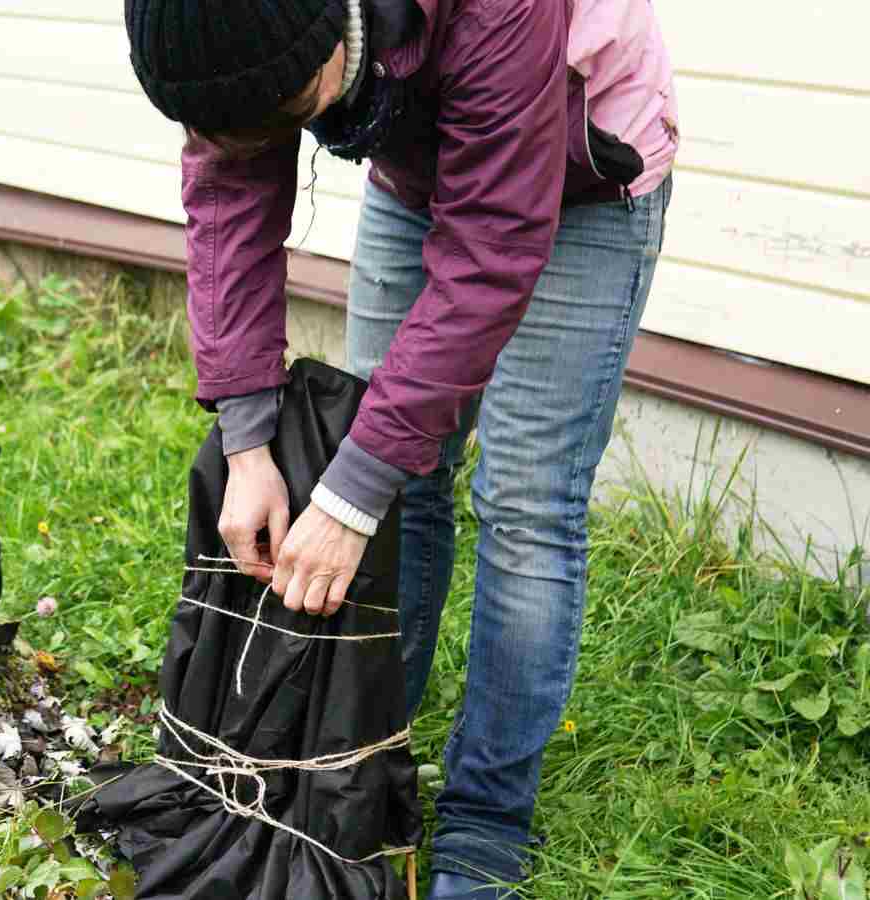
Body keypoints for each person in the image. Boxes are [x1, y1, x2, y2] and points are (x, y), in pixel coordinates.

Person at [123, 0, 677, 896]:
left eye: (293, 111)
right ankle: (362, 749)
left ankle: (487, 818)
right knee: (396, 479)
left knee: (526, 505)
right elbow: (230, 191)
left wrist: (349, 494)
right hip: (418, 156)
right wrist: (249, 439)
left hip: (580, 171)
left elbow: (493, 242)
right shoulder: (242, 30)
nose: (280, 135)